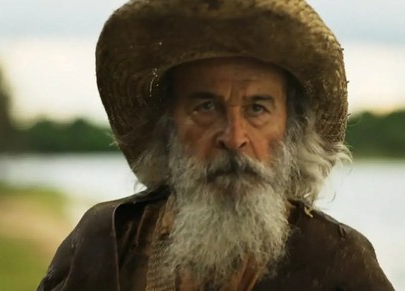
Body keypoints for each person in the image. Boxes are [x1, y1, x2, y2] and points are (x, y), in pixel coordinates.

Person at [38, 0, 394, 290]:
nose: (235, 137)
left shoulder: (340, 260)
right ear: (168, 126)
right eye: (206, 107)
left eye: (257, 108)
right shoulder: (107, 239)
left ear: (291, 129)